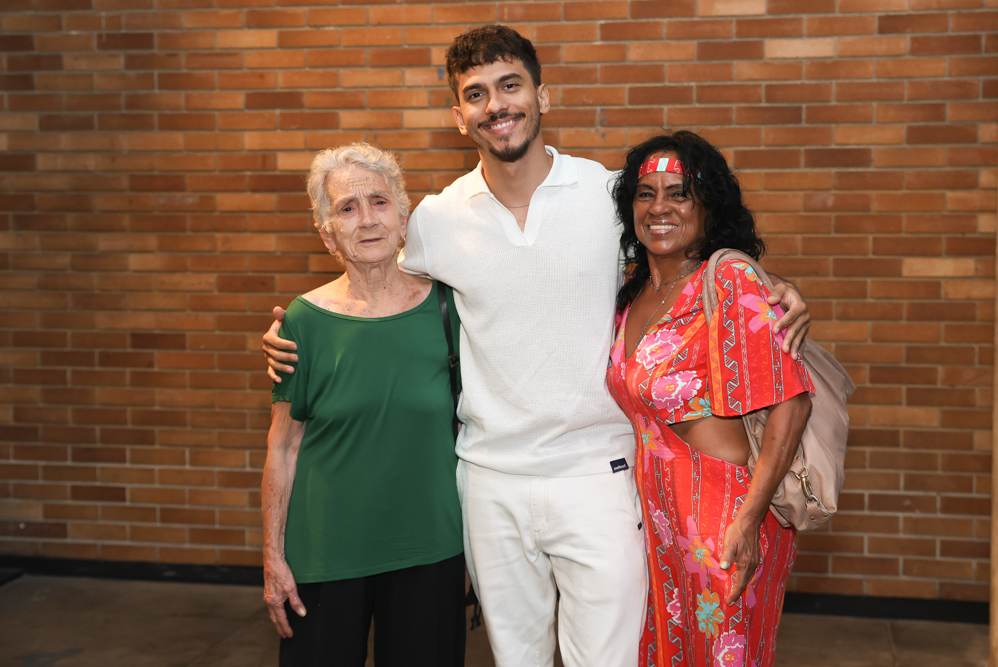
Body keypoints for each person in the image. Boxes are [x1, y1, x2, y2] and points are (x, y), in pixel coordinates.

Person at [263, 25, 811, 667]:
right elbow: (372, 276)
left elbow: (686, 249)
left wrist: (775, 287)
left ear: (542, 96)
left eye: (510, 85)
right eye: (476, 93)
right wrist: (297, 327)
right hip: (490, 481)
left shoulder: (609, 196)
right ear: (458, 116)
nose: (496, 105)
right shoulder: (436, 218)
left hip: (599, 473)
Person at [607, 131, 813, 667]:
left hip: (725, 521)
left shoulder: (729, 279)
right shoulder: (633, 293)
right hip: (657, 524)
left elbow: (792, 403)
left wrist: (748, 521)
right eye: (645, 193)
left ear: (708, 206)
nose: (659, 207)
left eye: (679, 193)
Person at [262, 143, 466, 667]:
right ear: (328, 234)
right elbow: (283, 448)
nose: (368, 219)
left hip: (431, 550)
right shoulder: (303, 322)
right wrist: (273, 557)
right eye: (347, 208)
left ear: (403, 217)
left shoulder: (450, 309)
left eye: (379, 202)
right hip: (325, 555)